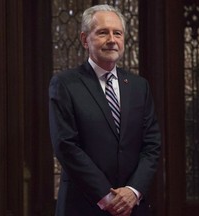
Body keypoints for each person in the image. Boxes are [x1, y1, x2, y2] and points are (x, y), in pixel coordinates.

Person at [49, 4, 161, 216]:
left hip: (133, 207)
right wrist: (108, 197)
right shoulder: (65, 84)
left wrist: (132, 191)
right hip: (83, 206)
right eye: (102, 33)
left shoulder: (139, 86)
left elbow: (152, 145)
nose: (112, 39)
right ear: (85, 39)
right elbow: (66, 146)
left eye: (117, 33)